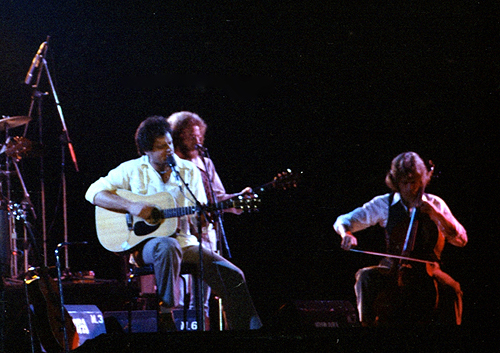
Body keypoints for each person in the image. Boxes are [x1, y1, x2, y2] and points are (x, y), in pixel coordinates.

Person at [85, 115, 262, 331]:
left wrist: (212, 212)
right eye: (160, 147)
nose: (168, 150)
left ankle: (249, 331)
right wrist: (132, 207)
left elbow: (201, 215)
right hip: (146, 246)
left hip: (186, 242)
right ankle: (166, 313)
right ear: (146, 151)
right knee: (168, 246)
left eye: (169, 143)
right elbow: (93, 193)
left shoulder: (189, 171)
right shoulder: (130, 170)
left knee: (233, 275)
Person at [333, 152, 467, 327]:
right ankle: (364, 326)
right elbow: (343, 221)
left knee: (452, 289)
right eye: (405, 183)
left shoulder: (436, 203)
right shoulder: (384, 204)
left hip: (429, 269)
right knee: (365, 277)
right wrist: (346, 234)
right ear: (396, 182)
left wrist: (436, 215)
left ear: (423, 180)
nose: (411, 188)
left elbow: (461, 240)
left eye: (415, 182)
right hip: (393, 268)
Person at [167, 111, 253, 325]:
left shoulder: (206, 164)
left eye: (199, 136)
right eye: (191, 136)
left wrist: (238, 199)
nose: (197, 141)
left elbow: (219, 197)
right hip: (180, 238)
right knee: (180, 299)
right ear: (178, 136)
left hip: (206, 237)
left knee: (202, 301)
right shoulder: (170, 164)